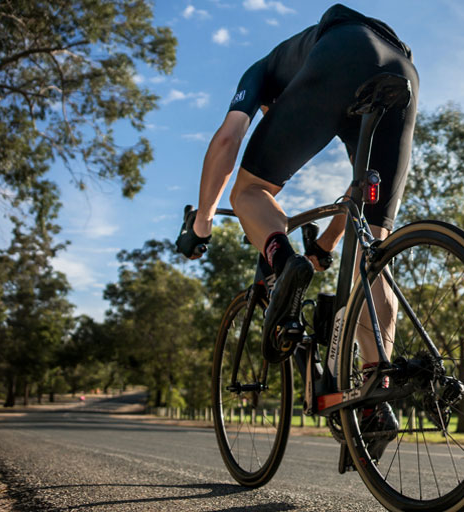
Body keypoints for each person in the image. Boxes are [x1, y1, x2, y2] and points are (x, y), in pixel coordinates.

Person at [173, 4, 418, 463]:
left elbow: (228, 140)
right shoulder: (320, 74)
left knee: (251, 190)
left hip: (344, 48)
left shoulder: (265, 68)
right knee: (375, 245)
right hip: (403, 69)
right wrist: (324, 247)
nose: (272, 112)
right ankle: (375, 393)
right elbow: (355, 198)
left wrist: (201, 222)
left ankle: (282, 262)